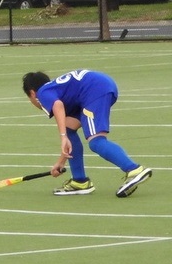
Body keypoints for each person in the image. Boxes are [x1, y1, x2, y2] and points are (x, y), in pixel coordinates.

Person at [22, 70, 152, 196]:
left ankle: (134, 169)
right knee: (69, 130)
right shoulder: (56, 88)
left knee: (96, 142)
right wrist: (61, 162)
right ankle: (80, 181)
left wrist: (62, 137)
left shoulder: (42, 93)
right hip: (98, 87)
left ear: (32, 93)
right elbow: (67, 131)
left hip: (95, 90)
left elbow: (57, 105)